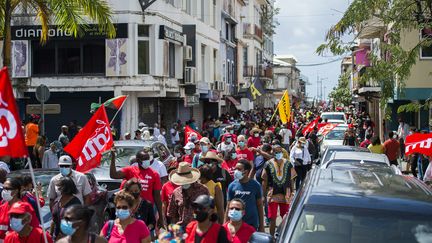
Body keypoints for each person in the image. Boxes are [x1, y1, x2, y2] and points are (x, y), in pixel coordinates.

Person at [110, 149, 165, 228]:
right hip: (130, 208)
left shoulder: (154, 174)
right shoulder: (130, 170)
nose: (147, 161)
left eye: (148, 159)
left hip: (146, 209)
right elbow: (113, 175)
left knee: (146, 232)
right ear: (138, 160)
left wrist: (160, 216)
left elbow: (157, 196)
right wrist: (113, 158)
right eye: (144, 159)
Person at [262, 145, 293, 236]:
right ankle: (271, 237)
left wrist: (292, 191)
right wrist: (263, 195)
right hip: (272, 194)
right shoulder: (268, 164)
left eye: (279, 151)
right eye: (276, 152)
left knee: (285, 217)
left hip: (285, 193)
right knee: (272, 218)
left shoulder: (288, 163)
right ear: (272, 152)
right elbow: (265, 180)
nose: (278, 153)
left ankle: (284, 236)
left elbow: (292, 178)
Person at [226, 160, 264, 232]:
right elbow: (228, 206)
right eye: (235, 169)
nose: (236, 171)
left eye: (239, 169)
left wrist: (261, 226)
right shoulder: (232, 186)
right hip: (236, 223)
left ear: (246, 172)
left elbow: (259, 205)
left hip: (252, 223)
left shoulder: (256, 185)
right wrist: (225, 223)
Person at [167, 162, 209, 227]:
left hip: (200, 228)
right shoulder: (176, 193)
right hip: (183, 229)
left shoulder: (203, 190)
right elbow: (172, 214)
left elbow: (209, 210)